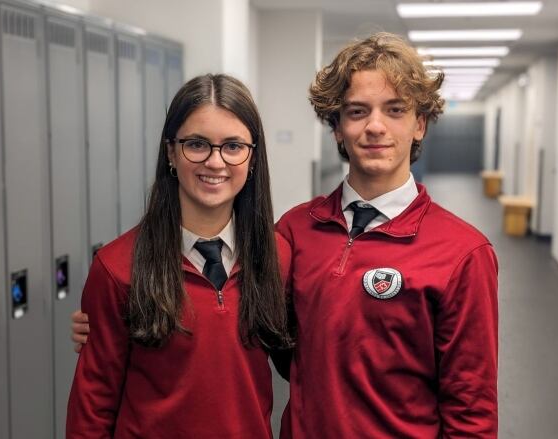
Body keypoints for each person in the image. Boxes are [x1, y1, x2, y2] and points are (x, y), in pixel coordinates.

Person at [73, 32, 498, 438]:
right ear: (336, 127)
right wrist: (112, 317)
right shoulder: (292, 235)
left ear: (420, 124)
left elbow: (472, 409)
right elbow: (269, 339)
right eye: (356, 111)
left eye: (395, 109)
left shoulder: (463, 252)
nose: (375, 127)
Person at [66, 73, 291, 439]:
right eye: (197, 144)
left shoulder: (277, 258)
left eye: (233, 146)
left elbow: (308, 360)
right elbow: (92, 408)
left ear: (252, 158)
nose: (216, 162)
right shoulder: (117, 267)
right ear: (171, 152)